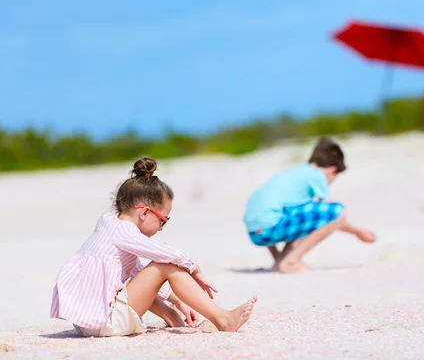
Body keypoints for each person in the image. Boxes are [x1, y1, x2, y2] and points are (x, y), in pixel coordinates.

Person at [50, 157, 257, 337]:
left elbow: (141, 273)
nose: (161, 228)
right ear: (145, 213)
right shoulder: (124, 232)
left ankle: (175, 318)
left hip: (89, 320)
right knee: (165, 265)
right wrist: (194, 268)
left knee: (143, 275)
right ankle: (223, 319)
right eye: (163, 221)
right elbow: (168, 255)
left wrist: (177, 302)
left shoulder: (109, 223)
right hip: (104, 321)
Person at [242, 137, 376, 274]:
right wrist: (357, 232)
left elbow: (262, 211)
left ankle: (279, 262)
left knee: (302, 217)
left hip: (255, 233)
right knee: (338, 211)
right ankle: (292, 261)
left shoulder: (294, 173)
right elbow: (332, 218)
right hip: (271, 227)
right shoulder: (317, 175)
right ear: (333, 171)